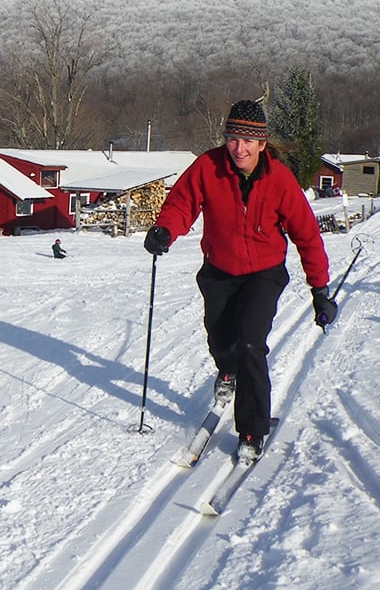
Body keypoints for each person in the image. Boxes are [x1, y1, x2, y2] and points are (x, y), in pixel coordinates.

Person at [144, 99, 337, 462]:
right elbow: (182, 203)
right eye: (233, 138)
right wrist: (165, 231)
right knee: (220, 339)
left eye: (248, 141)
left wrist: (320, 289)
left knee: (251, 345)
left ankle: (251, 428)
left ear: (263, 144)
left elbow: (307, 234)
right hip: (219, 269)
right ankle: (227, 370)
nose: (239, 148)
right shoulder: (208, 166)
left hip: (263, 273)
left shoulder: (279, 179)